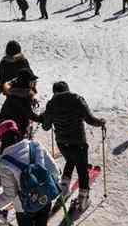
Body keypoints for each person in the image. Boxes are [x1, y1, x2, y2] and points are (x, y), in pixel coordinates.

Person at [0, 119, 60, 226]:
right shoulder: (36, 146)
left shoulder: (5, 162)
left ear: (2, 140)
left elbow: (10, 194)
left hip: (24, 208)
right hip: (44, 199)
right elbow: (54, 171)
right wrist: (51, 187)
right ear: (17, 133)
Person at [41, 81, 106, 211]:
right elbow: (90, 119)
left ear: (54, 92)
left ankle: (64, 188)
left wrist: (46, 118)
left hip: (62, 143)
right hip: (78, 142)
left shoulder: (51, 104)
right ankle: (83, 199)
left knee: (70, 160)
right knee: (82, 170)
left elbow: (46, 126)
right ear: (67, 89)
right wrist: (101, 122)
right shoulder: (76, 99)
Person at [0, 68, 42, 138]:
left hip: (5, 123)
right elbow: (29, 114)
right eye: (31, 81)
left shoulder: (15, 91)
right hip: (11, 126)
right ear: (25, 82)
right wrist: (42, 118)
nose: (33, 83)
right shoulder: (21, 96)